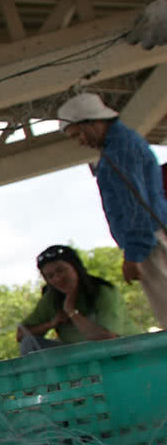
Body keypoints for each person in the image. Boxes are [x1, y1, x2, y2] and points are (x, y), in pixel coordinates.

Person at [57, 93, 167, 328]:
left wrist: (133, 255)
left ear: (92, 123)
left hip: (150, 242)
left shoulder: (119, 151)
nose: (80, 141)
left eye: (78, 134)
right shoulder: (124, 143)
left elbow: (135, 204)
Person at [17, 245, 138, 355]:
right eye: (50, 276)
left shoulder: (103, 291)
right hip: (80, 359)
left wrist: (71, 311)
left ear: (76, 267)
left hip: (123, 352)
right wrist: (51, 324)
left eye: (61, 270)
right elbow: (21, 335)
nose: (57, 279)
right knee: (29, 344)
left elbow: (107, 339)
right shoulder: (51, 298)